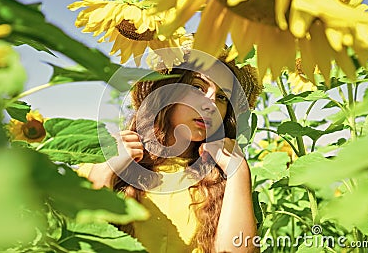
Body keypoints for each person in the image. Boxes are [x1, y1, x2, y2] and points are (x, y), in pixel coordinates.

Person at [77, 50, 262, 253]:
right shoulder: (107, 156)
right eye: (197, 87)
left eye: (222, 97)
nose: (211, 105)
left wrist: (239, 171)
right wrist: (104, 172)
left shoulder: (222, 177)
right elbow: (78, 239)